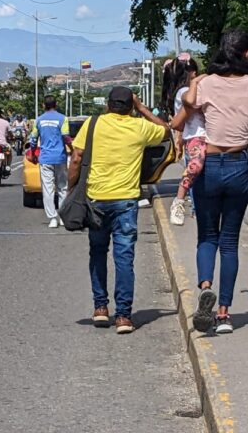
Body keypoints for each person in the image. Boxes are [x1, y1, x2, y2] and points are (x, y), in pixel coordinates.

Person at [184, 30, 248, 335]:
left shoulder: (207, 83)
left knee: (207, 235)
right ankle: (223, 313)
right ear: (247, 54)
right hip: (238, 165)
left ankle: (205, 285)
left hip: (208, 165)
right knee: (230, 242)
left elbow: (189, 104)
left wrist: (196, 82)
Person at [68, 86, 169, 334]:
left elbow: (77, 158)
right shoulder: (139, 127)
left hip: (96, 199)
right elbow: (166, 130)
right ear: (130, 106)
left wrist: (71, 188)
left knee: (97, 252)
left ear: (108, 105)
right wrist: (142, 108)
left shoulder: (93, 125)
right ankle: (124, 316)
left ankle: (101, 308)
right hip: (126, 201)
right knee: (124, 258)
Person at [166, 54, 206, 226]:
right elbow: (192, 102)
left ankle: (198, 211)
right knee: (195, 166)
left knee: (200, 179)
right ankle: (179, 200)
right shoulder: (184, 91)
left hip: (205, 136)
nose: (195, 75)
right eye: (192, 72)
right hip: (197, 137)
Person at [30, 95, 72, 228]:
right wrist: (72, 149)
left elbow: (33, 139)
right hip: (60, 157)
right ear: (56, 104)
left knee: (47, 189)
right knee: (62, 187)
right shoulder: (63, 119)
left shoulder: (38, 120)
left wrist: (33, 154)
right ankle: (63, 217)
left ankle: (53, 218)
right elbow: (66, 136)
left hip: (45, 158)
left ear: (43, 105)